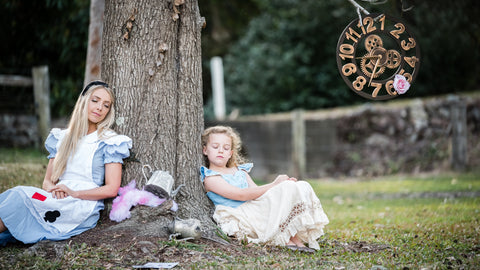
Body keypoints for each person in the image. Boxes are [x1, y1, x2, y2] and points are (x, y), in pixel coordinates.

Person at [0, 80, 132, 246]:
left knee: (17, 201)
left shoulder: (110, 142)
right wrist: (54, 190)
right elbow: (47, 182)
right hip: (54, 198)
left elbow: (112, 188)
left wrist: (73, 193)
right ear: (83, 101)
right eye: (95, 100)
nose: (100, 108)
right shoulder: (62, 138)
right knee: (18, 195)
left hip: (81, 206)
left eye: (106, 105)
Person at [200, 125, 329, 251]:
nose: (221, 150)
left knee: (296, 186)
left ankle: (295, 240)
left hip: (253, 206)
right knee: (280, 191)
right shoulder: (211, 178)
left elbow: (258, 193)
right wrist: (274, 184)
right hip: (239, 213)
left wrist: (282, 187)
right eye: (215, 147)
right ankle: (286, 240)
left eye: (226, 147)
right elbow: (240, 195)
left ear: (230, 153)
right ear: (205, 150)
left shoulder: (240, 171)